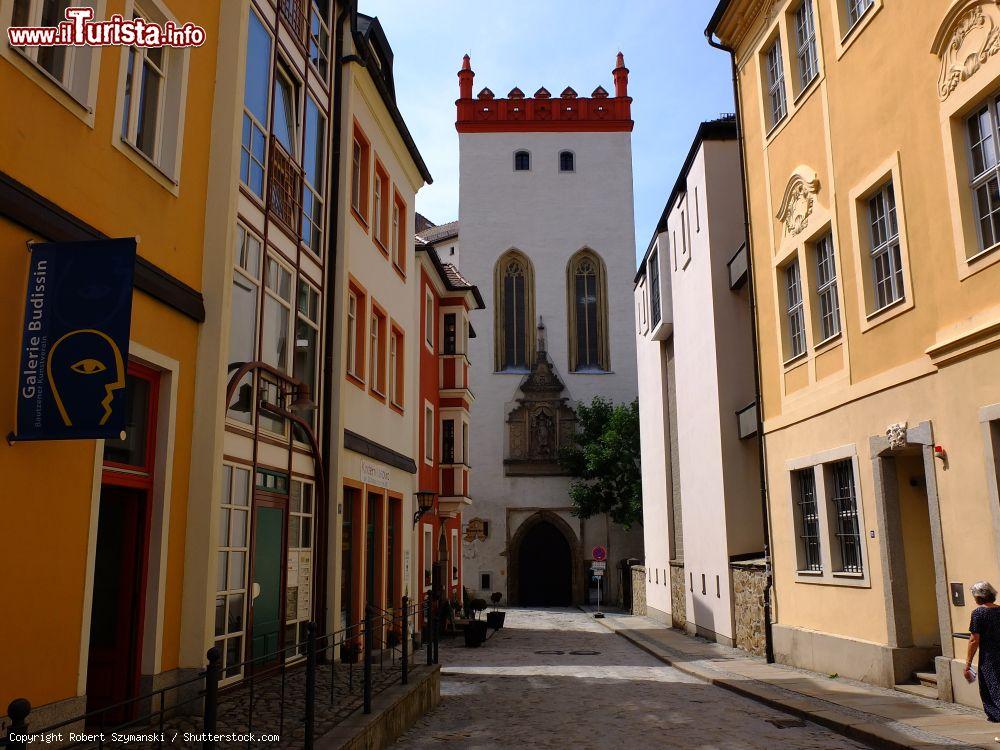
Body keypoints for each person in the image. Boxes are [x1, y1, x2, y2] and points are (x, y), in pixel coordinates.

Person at [965, 581, 1000, 733]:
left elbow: (974, 640)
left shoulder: (979, 613)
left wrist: (967, 664)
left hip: (990, 659)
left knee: (994, 692)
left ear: (979, 597)